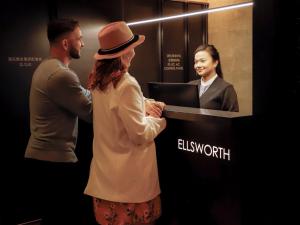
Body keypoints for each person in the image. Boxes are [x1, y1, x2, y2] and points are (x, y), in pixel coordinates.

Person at [84, 21, 167, 225]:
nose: (134, 54)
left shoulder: (98, 81)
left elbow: (116, 108)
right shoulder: (127, 83)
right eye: (132, 49)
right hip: (130, 186)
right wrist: (158, 121)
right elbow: (139, 135)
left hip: (105, 181)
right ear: (125, 53)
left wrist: (144, 103)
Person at [24, 18, 92, 225]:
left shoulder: (49, 68)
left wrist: (94, 91)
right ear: (65, 44)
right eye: (79, 39)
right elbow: (90, 111)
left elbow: (83, 95)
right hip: (54, 163)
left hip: (44, 160)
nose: (83, 44)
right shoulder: (60, 75)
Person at [189, 44, 239, 112]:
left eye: (202, 61)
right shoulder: (190, 85)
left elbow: (233, 120)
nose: (198, 65)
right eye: (196, 62)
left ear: (215, 63)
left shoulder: (226, 89)